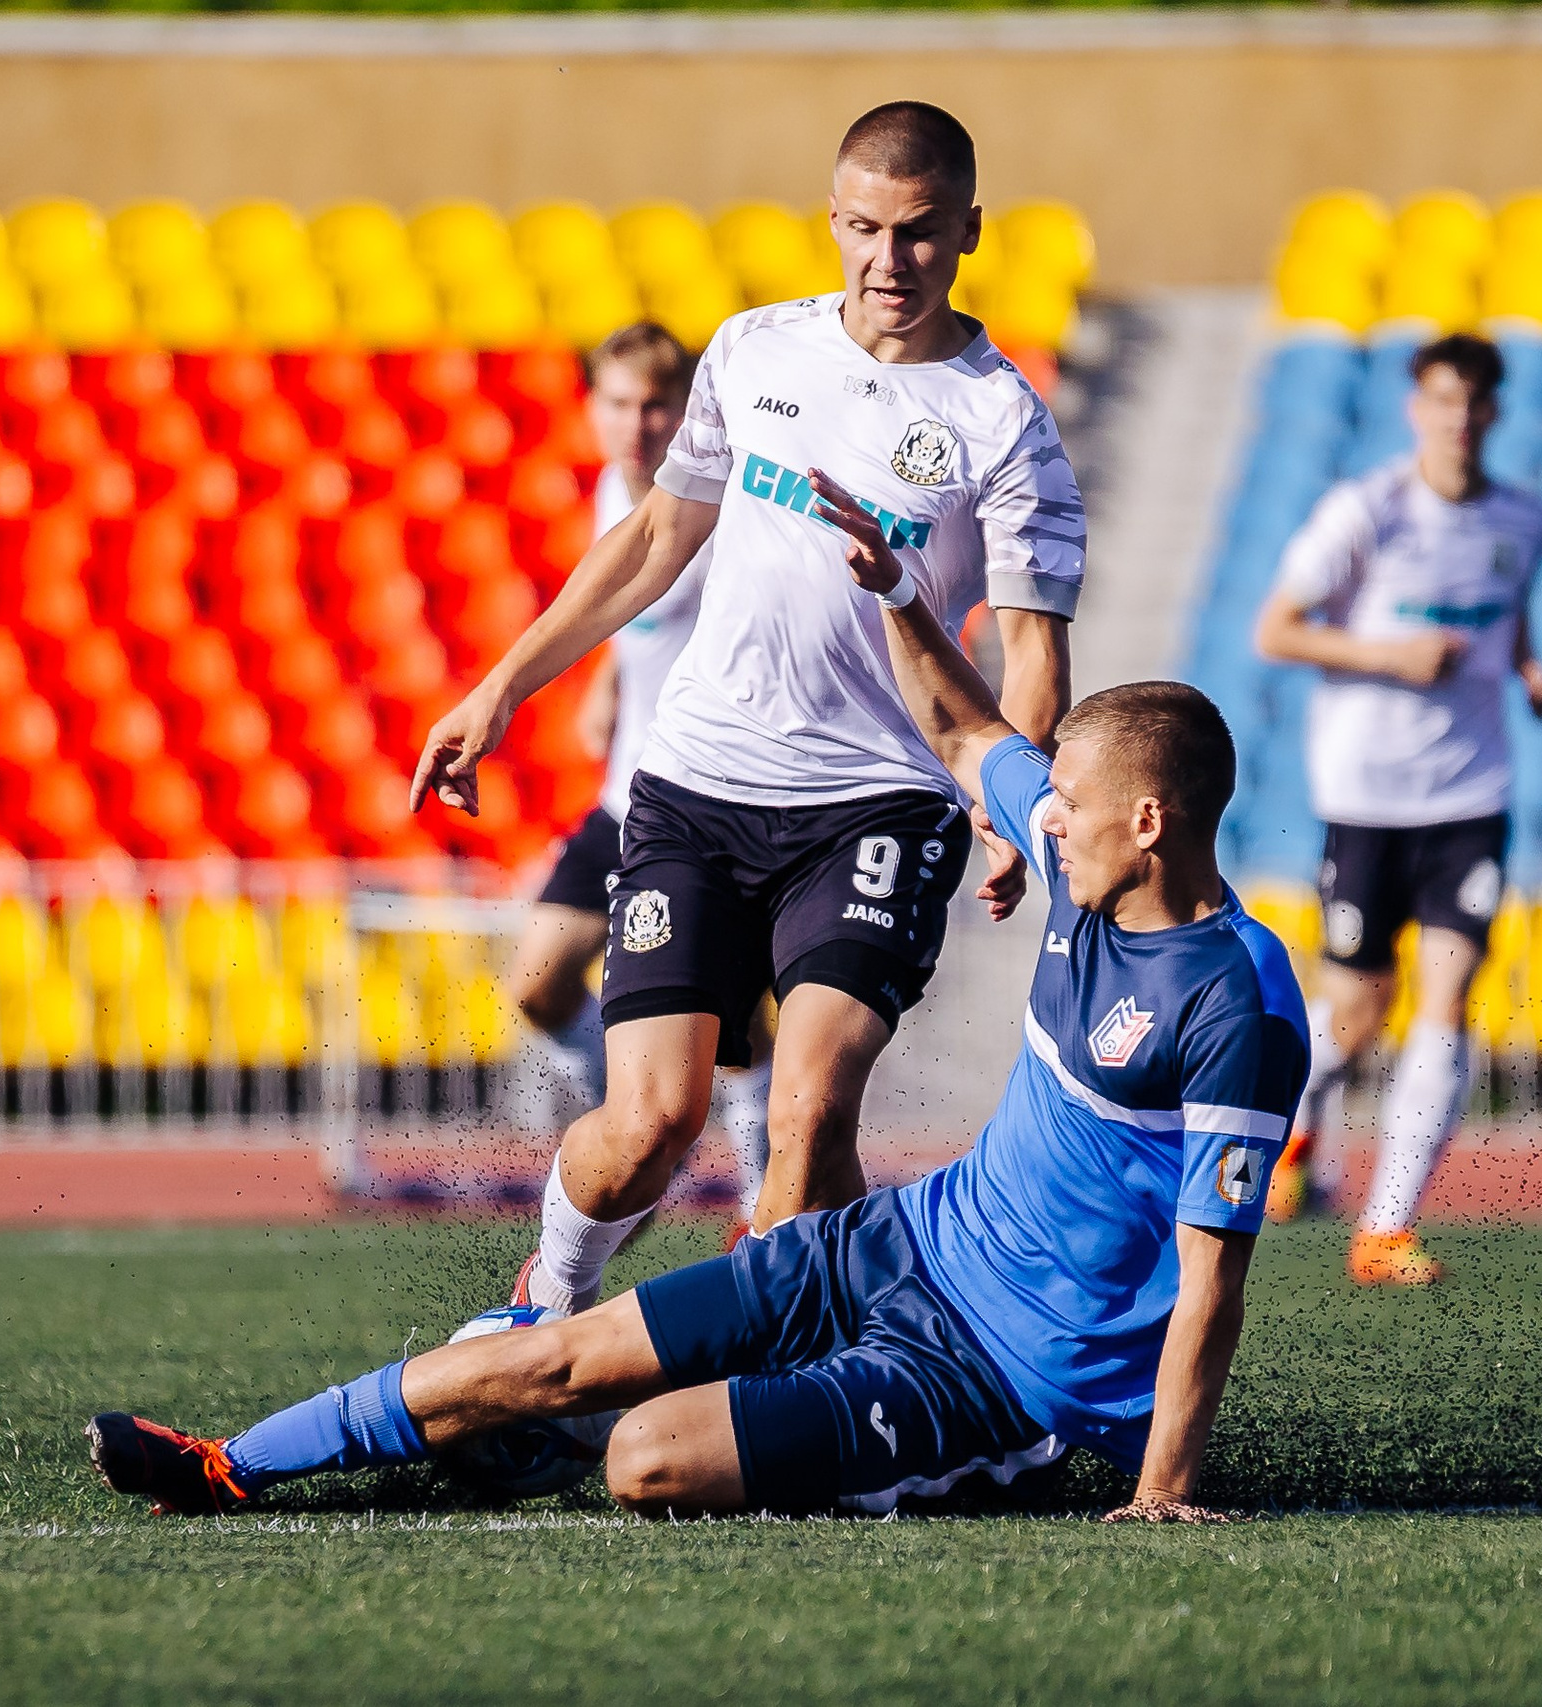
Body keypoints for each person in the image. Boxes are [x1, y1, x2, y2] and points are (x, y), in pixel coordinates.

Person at [87, 510, 1303, 1523]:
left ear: (1148, 825)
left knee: (642, 1462)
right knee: (559, 1349)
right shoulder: (1080, 859)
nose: (1042, 819)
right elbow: (970, 729)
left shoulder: (1233, 999)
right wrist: (893, 595)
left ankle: (913, 1451)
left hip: (998, 1376)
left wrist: (1161, 1493)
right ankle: (230, 1465)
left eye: (1070, 806)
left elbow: (1210, 1281)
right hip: (900, 1242)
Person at [410, 101, 1084, 1312]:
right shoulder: (752, 350)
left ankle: (761, 1380)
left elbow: (1033, 653)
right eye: (867, 230)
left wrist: (1011, 802)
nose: (891, 262)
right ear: (832, 222)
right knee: (646, 1127)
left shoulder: (1006, 424)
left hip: (877, 804)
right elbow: (659, 537)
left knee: (808, 1104)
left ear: (970, 230)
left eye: (923, 233)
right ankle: (545, 1313)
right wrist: (501, 686)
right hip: (696, 790)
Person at [1250, 332, 1542, 1286]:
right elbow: (1276, 630)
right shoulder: (1368, 511)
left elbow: (1503, 615)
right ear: (1413, 408)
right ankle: (1296, 1130)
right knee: (1353, 1013)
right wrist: (1390, 657)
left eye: (1473, 403)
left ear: (1495, 411)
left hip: (1471, 793)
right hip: (1366, 793)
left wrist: (1529, 669)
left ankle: (1384, 1228)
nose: (1457, 420)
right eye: (1440, 401)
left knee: (1448, 999)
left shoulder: (1525, 520)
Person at [504, 322, 775, 1229]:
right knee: (537, 981)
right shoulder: (601, 496)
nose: (638, 422)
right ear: (592, 409)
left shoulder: (724, 503)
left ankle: (758, 1196)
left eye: (656, 403)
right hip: (626, 796)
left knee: (729, 1030)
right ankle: (627, 1116)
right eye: (619, 402)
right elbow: (632, 599)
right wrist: (611, 683)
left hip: (707, 798)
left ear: (688, 408)